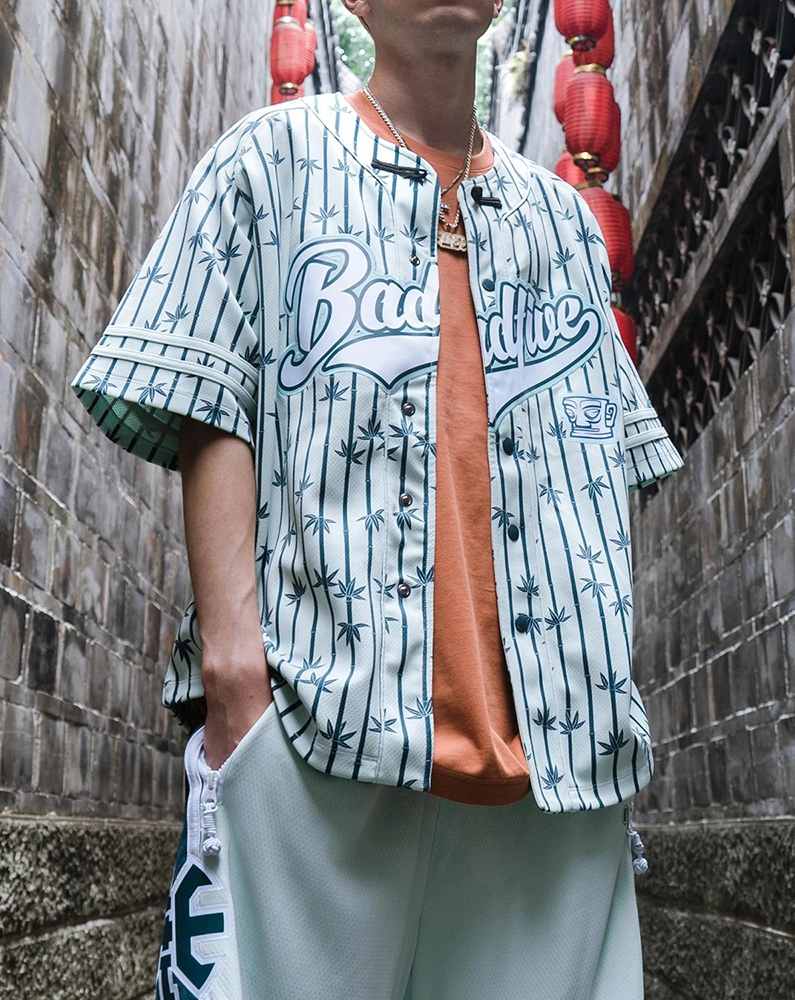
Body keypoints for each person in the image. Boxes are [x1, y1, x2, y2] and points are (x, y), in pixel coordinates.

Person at [69, 1, 684, 997]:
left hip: (551, 780)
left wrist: (602, 689)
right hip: (319, 743)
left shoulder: (565, 223)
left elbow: (605, 463)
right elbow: (206, 393)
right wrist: (237, 682)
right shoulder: (268, 161)